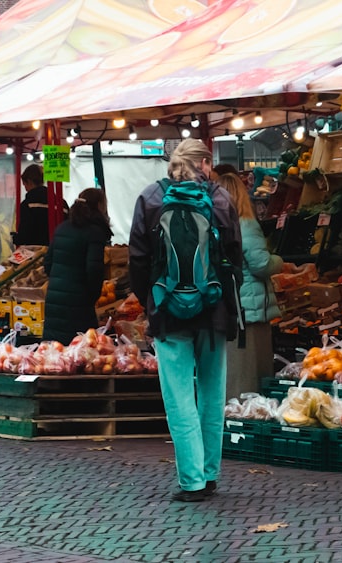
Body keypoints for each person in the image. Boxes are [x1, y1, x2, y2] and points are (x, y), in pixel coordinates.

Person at [129, 139, 243, 502]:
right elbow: (234, 258)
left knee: (179, 397)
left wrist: (154, 299)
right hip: (213, 314)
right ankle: (210, 475)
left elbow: (137, 260)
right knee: (212, 394)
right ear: (205, 164)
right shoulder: (222, 199)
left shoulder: (150, 198)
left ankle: (191, 480)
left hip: (168, 314)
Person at [215, 172, 283, 399]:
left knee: (228, 373)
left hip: (223, 309)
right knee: (250, 374)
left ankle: (227, 419)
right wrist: (279, 261)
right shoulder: (245, 224)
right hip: (248, 312)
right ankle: (244, 420)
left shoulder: (212, 226)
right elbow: (261, 265)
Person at [43, 188, 112, 343]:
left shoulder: (61, 228)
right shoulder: (95, 232)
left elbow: (47, 263)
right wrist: (91, 297)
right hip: (79, 303)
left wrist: (58, 281)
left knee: (56, 355)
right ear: (100, 205)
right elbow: (94, 270)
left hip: (54, 301)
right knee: (81, 354)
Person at [13, 164, 67, 247]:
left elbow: (24, 235)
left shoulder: (27, 205)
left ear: (29, 181)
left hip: (34, 253)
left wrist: (16, 238)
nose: (25, 189)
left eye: (25, 184)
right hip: (58, 250)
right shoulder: (62, 203)